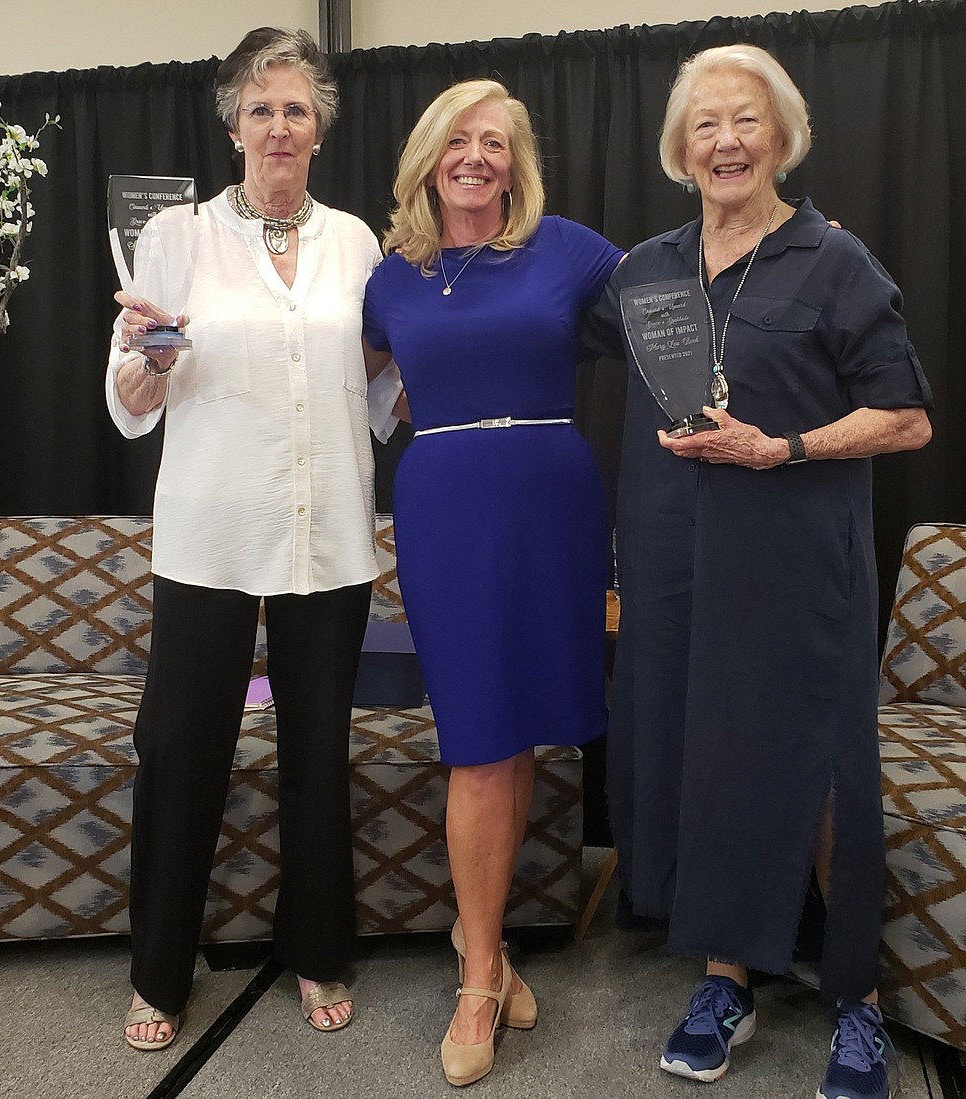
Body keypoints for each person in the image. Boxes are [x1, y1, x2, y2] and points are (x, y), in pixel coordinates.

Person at [582, 44, 933, 1099]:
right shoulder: (644, 268)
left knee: (819, 767)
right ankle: (725, 977)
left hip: (795, 565)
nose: (726, 141)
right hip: (674, 562)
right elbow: (541, 330)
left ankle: (857, 1002)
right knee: (704, 757)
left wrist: (783, 447)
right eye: (705, 125)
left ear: (780, 137)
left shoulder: (837, 261)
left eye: (745, 122)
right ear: (679, 149)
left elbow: (907, 417)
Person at [107, 27, 396, 1050]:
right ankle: (159, 970)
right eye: (261, 107)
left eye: (298, 108)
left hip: (328, 535)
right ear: (234, 124)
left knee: (319, 748)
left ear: (320, 129)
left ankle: (318, 945)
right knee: (182, 749)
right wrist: (148, 356)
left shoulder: (358, 242)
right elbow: (132, 399)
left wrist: (401, 357)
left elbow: (376, 400)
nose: (280, 125)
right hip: (211, 534)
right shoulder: (175, 238)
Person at [361, 79, 623, 1087]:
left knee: (514, 733)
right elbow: (348, 380)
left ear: (518, 161)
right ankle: (477, 975)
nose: (477, 157)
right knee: (476, 738)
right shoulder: (390, 278)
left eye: (496, 142)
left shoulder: (569, 249)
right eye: (458, 140)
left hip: (553, 498)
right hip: (448, 506)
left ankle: (491, 946)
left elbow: (675, 302)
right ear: (428, 157)